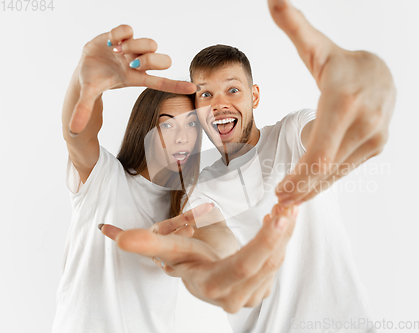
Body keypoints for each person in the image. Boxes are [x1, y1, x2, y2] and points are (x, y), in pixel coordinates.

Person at [102, 0, 396, 332]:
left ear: (254, 96)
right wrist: (217, 270)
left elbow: (331, 133)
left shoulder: (292, 134)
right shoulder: (200, 188)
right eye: (206, 95)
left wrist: (358, 106)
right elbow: (214, 242)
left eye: (232, 90)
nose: (220, 104)